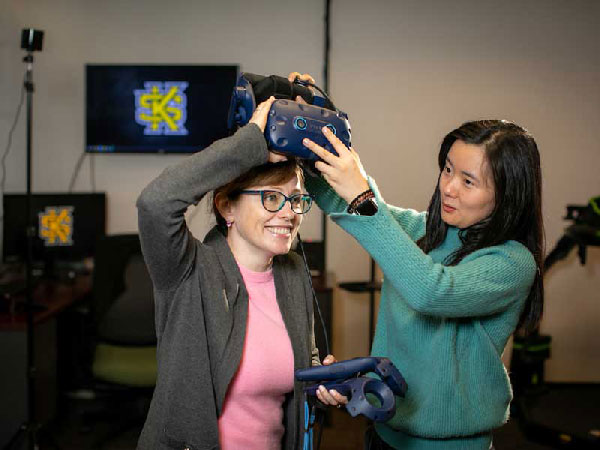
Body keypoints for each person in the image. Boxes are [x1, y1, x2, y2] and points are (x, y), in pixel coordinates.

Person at [291, 72, 544, 450]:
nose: (448, 187)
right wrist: (309, 138)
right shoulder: (427, 231)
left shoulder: (511, 262)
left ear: (507, 193)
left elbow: (431, 289)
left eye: (468, 181)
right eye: (447, 170)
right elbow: (348, 203)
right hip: (384, 433)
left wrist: (362, 198)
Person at [135, 96, 344, 450]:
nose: (289, 214)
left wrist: (323, 382)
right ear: (226, 206)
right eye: (271, 198)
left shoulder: (292, 272)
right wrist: (248, 143)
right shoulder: (189, 271)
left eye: (295, 199)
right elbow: (155, 203)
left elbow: (298, 364)